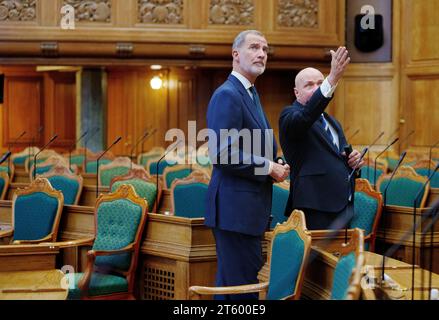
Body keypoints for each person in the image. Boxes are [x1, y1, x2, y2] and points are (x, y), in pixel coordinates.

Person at [205, 30, 290, 300]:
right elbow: (222, 153)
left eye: (265, 49)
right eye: (254, 47)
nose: (262, 54)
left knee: (233, 288)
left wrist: (277, 162)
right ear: (236, 55)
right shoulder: (228, 94)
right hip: (234, 212)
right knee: (240, 290)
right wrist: (268, 167)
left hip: (247, 210)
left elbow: (254, 145)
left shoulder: (250, 93)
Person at [279, 47, 364, 230]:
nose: (316, 89)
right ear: (296, 92)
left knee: (341, 258)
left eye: (320, 83)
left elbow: (339, 158)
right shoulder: (290, 115)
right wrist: (331, 79)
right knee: (317, 259)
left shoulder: (332, 122)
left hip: (343, 205)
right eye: (309, 85)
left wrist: (353, 162)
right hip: (314, 206)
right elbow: (306, 116)